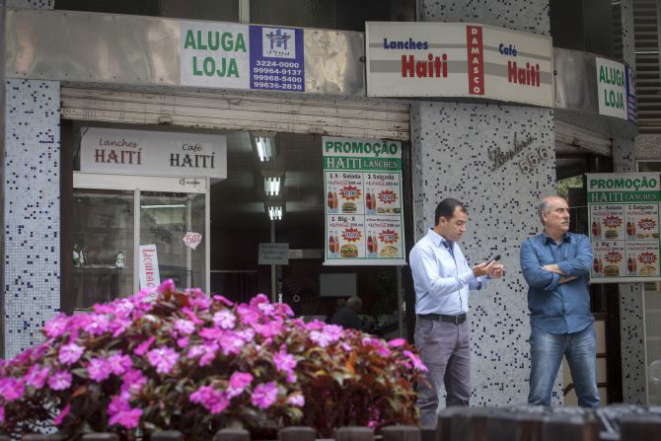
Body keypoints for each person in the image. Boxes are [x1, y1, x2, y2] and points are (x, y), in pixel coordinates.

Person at [409, 198, 504, 427]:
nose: (464, 229)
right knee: (428, 397)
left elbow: (464, 283)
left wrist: (485, 276)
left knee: (461, 396)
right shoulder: (423, 250)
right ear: (443, 221)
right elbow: (436, 287)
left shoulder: (454, 247)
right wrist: (472, 272)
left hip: (461, 327)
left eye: (465, 223)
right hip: (434, 328)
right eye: (459, 223)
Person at [520, 196, 599, 408]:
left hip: (581, 327)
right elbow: (535, 277)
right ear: (545, 216)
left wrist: (551, 268)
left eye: (567, 211)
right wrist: (567, 273)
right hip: (546, 328)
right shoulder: (530, 246)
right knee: (539, 397)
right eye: (560, 211)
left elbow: (583, 265)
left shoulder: (581, 241)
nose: (566, 215)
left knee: (590, 396)